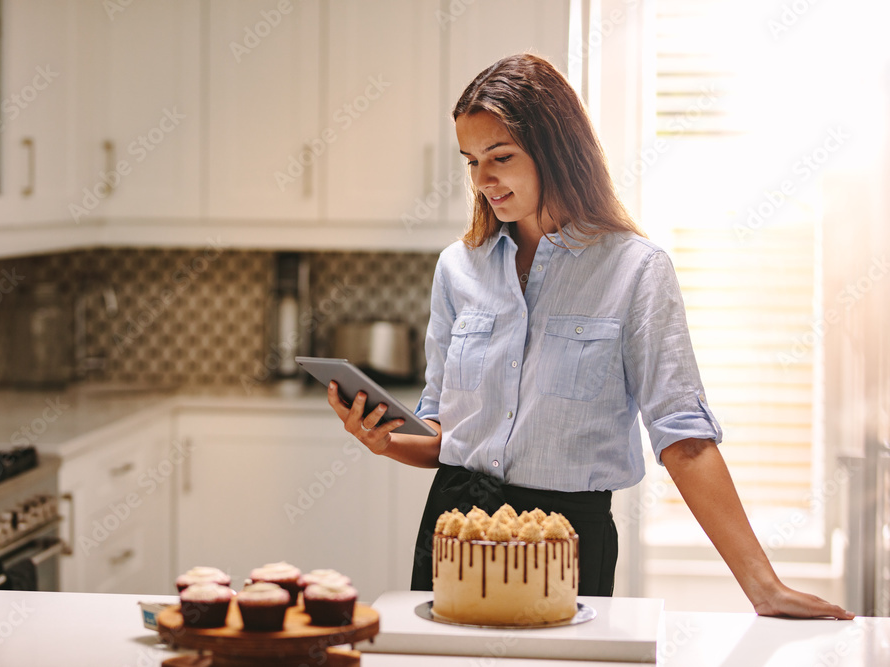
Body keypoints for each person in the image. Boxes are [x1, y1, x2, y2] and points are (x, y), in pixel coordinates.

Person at [326, 53, 852, 619]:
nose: (482, 180)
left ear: (555, 150)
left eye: (500, 157)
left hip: (568, 538)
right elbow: (441, 433)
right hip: (457, 527)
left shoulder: (636, 271)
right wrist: (384, 440)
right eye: (472, 160)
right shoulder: (459, 268)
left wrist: (763, 587)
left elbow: (684, 438)